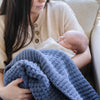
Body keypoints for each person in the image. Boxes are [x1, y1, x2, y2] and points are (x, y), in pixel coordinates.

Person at [0, 0, 91, 100]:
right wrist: (3, 91)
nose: (42, 0)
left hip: (61, 86)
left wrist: (52, 69)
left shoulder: (61, 10)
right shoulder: (2, 24)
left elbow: (85, 53)